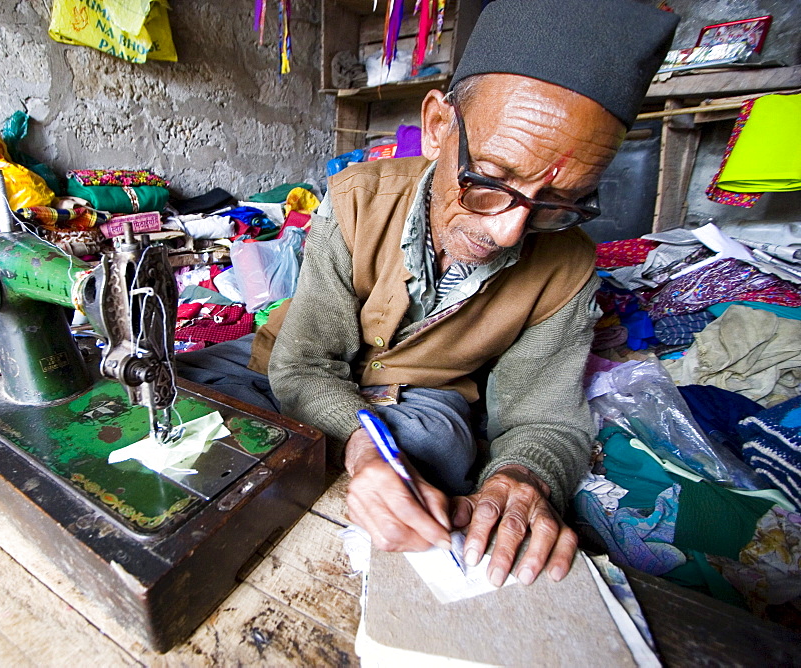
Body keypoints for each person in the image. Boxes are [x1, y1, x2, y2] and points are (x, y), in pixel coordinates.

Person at [178, 0, 678, 587]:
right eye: (489, 180)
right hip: (286, 357)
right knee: (172, 381)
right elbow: (305, 362)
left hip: (419, 396)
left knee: (432, 448)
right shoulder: (356, 198)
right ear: (439, 126)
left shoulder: (566, 266)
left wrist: (523, 478)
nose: (507, 232)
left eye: (559, 204)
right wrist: (365, 447)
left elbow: (544, 419)